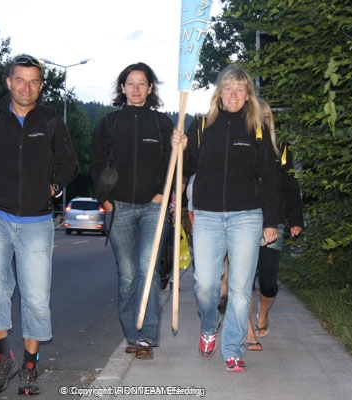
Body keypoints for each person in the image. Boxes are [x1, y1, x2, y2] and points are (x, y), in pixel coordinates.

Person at [0, 54, 79, 395]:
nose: (27, 87)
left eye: (34, 81)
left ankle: (29, 364)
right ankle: (2, 358)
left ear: (41, 85)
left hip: (37, 221)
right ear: (8, 82)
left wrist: (53, 187)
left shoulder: (51, 120)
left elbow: (70, 163)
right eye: (20, 80)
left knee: (36, 297)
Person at [181, 65, 279, 372]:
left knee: (240, 287)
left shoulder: (256, 130)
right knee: (205, 284)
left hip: (246, 217)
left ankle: (233, 349)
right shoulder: (201, 127)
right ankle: (209, 326)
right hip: (207, 216)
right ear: (219, 93)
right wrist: (179, 148)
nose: (233, 94)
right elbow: (185, 167)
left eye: (240, 89)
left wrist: (271, 220)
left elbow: (270, 177)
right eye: (228, 88)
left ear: (248, 95)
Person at [91, 62, 177, 360]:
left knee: (147, 269)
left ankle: (147, 337)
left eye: (142, 83)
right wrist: (105, 200)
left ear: (150, 88)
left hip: (153, 207)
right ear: (123, 87)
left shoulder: (162, 124)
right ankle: (132, 333)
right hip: (120, 209)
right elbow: (97, 163)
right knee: (128, 275)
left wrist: (163, 193)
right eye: (131, 83)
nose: (136, 89)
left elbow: (173, 162)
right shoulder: (109, 123)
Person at [243, 100, 304, 351]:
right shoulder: (242, 148)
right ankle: (248, 331)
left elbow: (290, 185)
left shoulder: (282, 150)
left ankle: (263, 313)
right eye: (258, 116)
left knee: (268, 281)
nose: (263, 120)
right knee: (244, 280)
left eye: (267, 116)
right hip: (244, 220)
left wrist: (296, 218)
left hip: (273, 221)